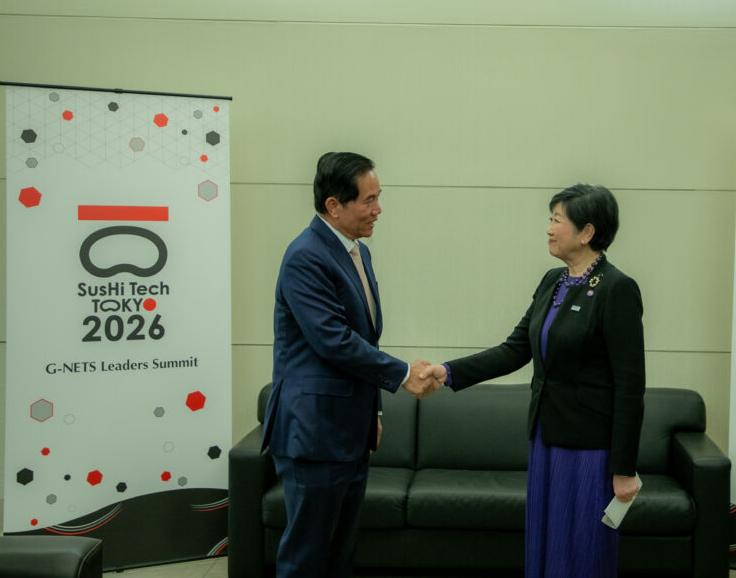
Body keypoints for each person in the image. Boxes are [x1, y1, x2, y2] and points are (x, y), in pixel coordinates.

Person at [421, 183, 645, 578]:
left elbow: (630, 386)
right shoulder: (552, 281)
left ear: (587, 232)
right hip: (546, 435)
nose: (548, 229)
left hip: (588, 447)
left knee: (582, 548)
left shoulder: (616, 288)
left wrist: (624, 468)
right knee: (546, 542)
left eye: (557, 220)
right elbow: (514, 350)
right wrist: (449, 371)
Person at [261, 151, 437, 578]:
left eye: (379, 197)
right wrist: (402, 374)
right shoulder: (306, 256)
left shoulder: (357, 252)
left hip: (349, 429)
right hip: (314, 431)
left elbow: (363, 339)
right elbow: (333, 340)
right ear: (334, 205)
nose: (379, 210)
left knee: (339, 552)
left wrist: (373, 411)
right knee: (307, 556)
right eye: (369, 200)